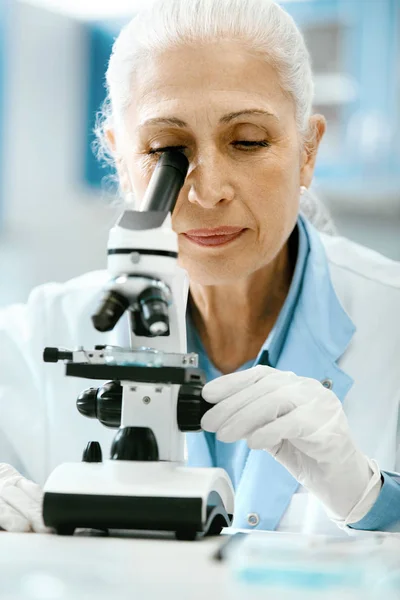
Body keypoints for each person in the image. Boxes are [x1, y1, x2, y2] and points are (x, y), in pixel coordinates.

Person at [1, 0, 400, 535]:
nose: (208, 191)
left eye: (248, 141)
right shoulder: (35, 336)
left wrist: (376, 500)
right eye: (168, 149)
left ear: (307, 152)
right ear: (123, 161)